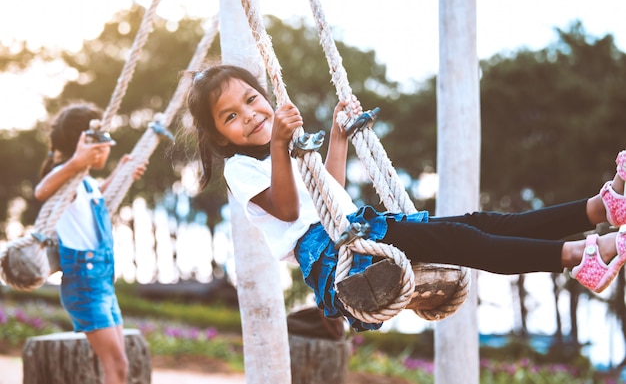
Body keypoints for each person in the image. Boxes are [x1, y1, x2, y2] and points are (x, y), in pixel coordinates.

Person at [184, 63, 626, 332]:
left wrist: (337, 138)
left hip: (350, 226)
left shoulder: (288, 149)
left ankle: (599, 209)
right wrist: (283, 145)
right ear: (220, 136)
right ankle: (580, 256)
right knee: (465, 240)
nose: (250, 115)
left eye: (252, 99)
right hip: (340, 254)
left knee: (480, 222)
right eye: (231, 116)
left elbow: (327, 193)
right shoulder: (242, 168)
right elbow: (290, 210)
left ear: (265, 95)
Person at [34, 103, 147, 384]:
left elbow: (95, 198)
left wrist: (121, 174)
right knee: (117, 365)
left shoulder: (83, 183)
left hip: (101, 281)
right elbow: (41, 191)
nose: (107, 148)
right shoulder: (67, 178)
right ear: (85, 144)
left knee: (120, 364)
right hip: (85, 283)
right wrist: (76, 161)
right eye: (103, 142)